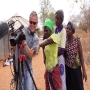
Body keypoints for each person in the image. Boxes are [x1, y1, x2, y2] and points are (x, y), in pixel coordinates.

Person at [9, 11, 39, 90]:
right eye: (31, 22)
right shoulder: (22, 29)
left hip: (27, 71)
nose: (32, 25)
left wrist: (24, 42)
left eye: (34, 23)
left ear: (37, 23)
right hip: (18, 70)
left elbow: (30, 55)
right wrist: (12, 50)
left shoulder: (35, 38)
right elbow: (13, 43)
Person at [39, 18, 62, 90]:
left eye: (47, 30)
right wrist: (44, 60)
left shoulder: (54, 37)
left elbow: (47, 41)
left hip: (54, 70)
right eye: (44, 30)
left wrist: (38, 45)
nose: (45, 32)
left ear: (51, 30)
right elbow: (44, 50)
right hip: (48, 70)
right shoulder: (45, 39)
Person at [65, 21, 87, 90]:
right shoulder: (64, 42)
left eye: (69, 29)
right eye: (66, 28)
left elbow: (81, 56)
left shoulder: (77, 41)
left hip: (76, 70)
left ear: (72, 30)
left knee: (79, 87)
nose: (67, 30)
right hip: (68, 70)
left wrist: (84, 71)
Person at [54, 10, 67, 90]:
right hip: (55, 57)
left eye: (58, 19)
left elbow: (62, 50)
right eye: (55, 18)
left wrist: (53, 55)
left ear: (61, 20)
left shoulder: (63, 31)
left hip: (60, 57)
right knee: (55, 77)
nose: (56, 20)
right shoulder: (55, 30)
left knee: (61, 77)